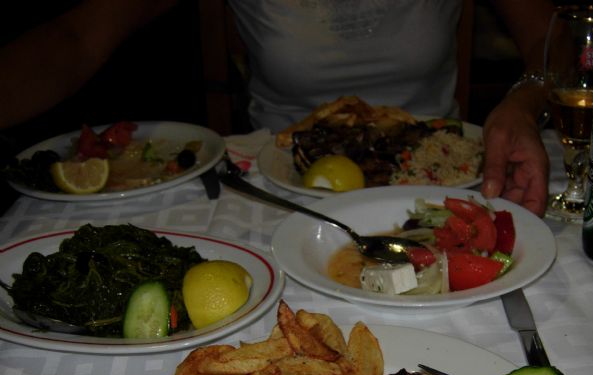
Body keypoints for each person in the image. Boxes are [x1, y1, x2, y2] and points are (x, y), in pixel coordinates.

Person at [0, 0, 553, 216]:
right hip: (278, 190)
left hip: (447, 180)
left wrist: (526, 99)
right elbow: (76, 38)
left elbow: (558, 35)